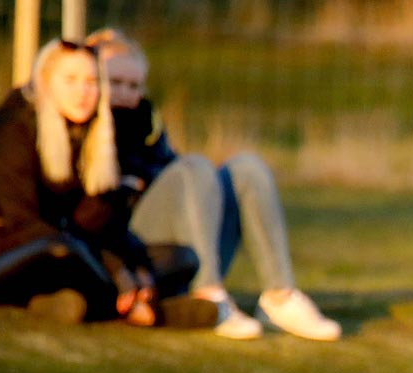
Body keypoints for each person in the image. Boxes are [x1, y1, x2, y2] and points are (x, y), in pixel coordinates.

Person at [89, 30, 341, 341]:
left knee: (247, 168)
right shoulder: (85, 129)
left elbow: (171, 175)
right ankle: (208, 296)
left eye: (134, 85)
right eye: (115, 83)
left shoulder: (146, 123)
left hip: (185, 251)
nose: (126, 92)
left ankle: (280, 296)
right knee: (194, 167)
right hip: (138, 259)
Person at [0, 39, 203, 326]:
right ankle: (141, 309)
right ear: (45, 83)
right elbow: (25, 222)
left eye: (92, 81)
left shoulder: (97, 139)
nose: (83, 92)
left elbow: (100, 226)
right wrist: (116, 270)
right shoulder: (15, 130)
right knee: (59, 248)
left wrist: (137, 265)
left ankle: (63, 303)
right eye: (71, 80)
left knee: (180, 258)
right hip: (17, 245)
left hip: (78, 254)